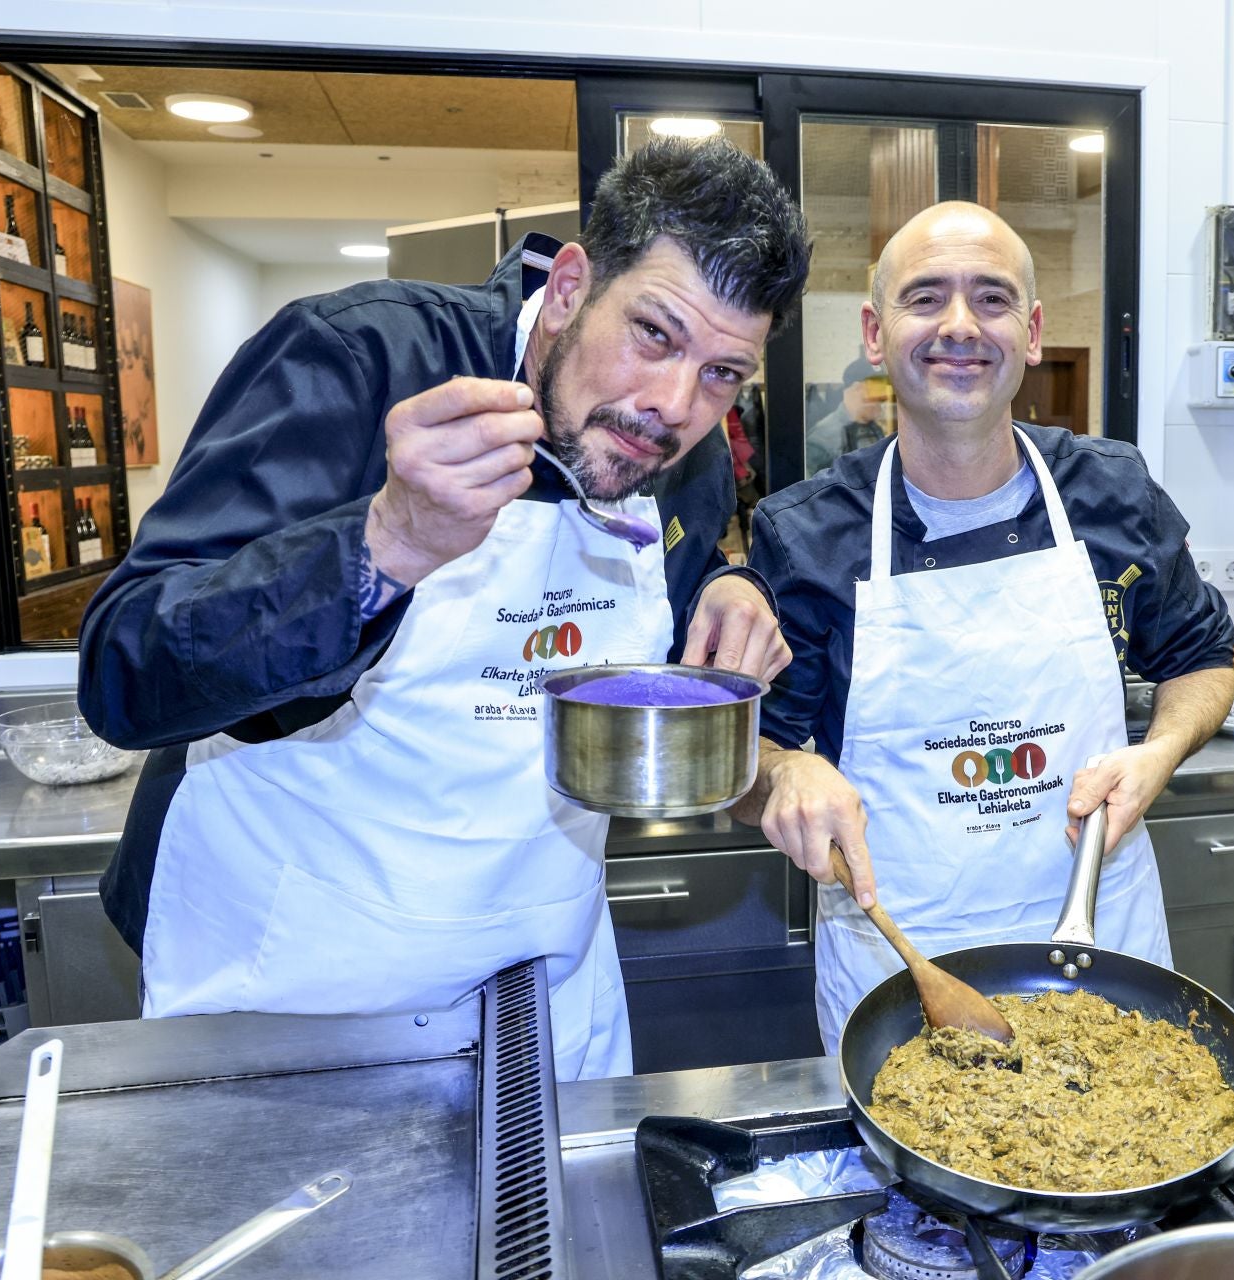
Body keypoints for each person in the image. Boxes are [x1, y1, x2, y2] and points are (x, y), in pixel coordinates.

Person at [79, 140, 811, 1080]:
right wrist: (384, 544)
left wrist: (724, 583)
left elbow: (680, 559)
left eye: (722, 373)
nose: (671, 404)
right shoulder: (358, 357)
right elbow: (124, 669)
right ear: (571, 285)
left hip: (538, 987)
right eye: (655, 334)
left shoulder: (681, 452)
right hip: (299, 986)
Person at [735, 201, 1234, 1050]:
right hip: (901, 973)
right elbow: (750, 764)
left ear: (1033, 332)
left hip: (1101, 944)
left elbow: (1205, 656)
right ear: (875, 330)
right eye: (925, 298)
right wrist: (785, 774)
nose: (959, 326)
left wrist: (1159, 752)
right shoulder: (804, 536)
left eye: (992, 299)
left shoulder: (1112, 494)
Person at [804, 357, 886, 476]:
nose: (882, 398)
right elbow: (813, 490)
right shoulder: (822, 437)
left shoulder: (874, 430)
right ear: (858, 389)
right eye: (877, 390)